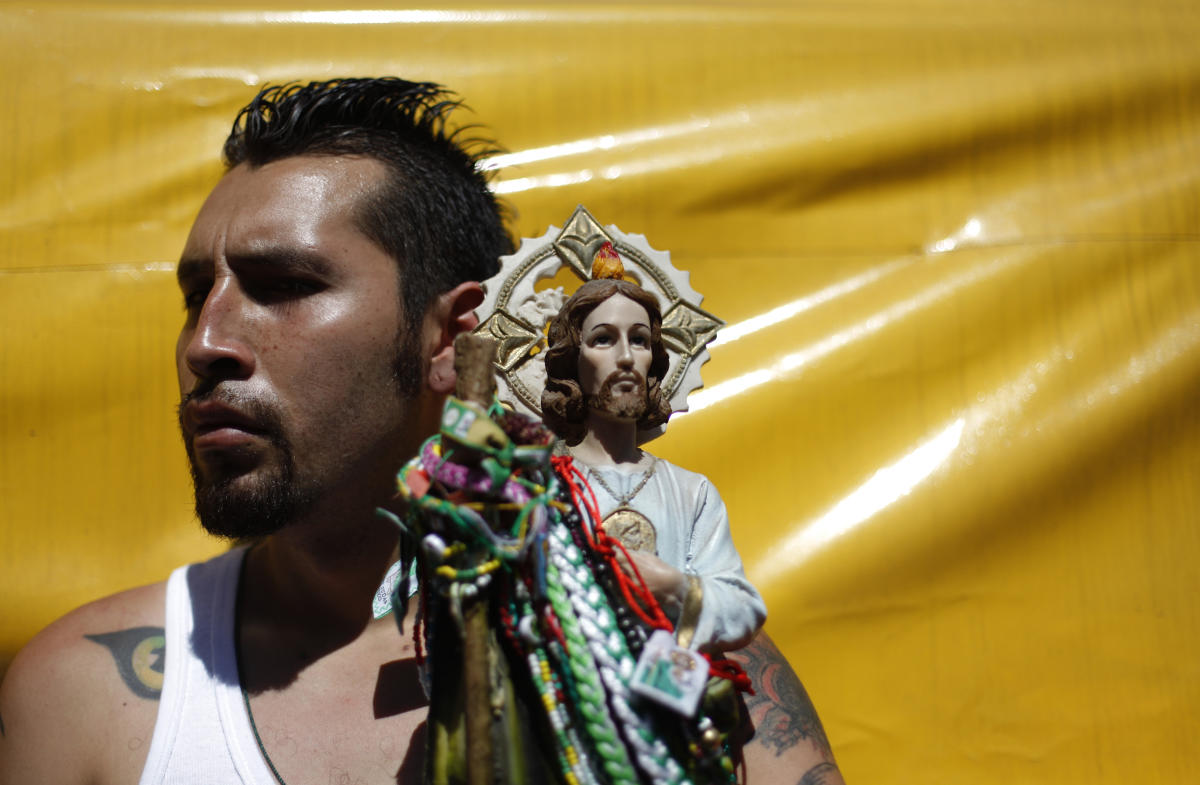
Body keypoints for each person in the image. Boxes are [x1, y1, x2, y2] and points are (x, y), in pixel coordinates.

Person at [0, 77, 844, 785]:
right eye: (197, 294)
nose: (205, 342)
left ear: (453, 336)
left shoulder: (665, 640)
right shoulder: (88, 697)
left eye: (284, 282)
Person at [541, 265, 767, 654]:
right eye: (603, 340)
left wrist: (675, 588)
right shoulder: (538, 483)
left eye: (640, 341)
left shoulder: (690, 492)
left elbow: (743, 607)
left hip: (667, 697)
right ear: (572, 361)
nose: (626, 357)